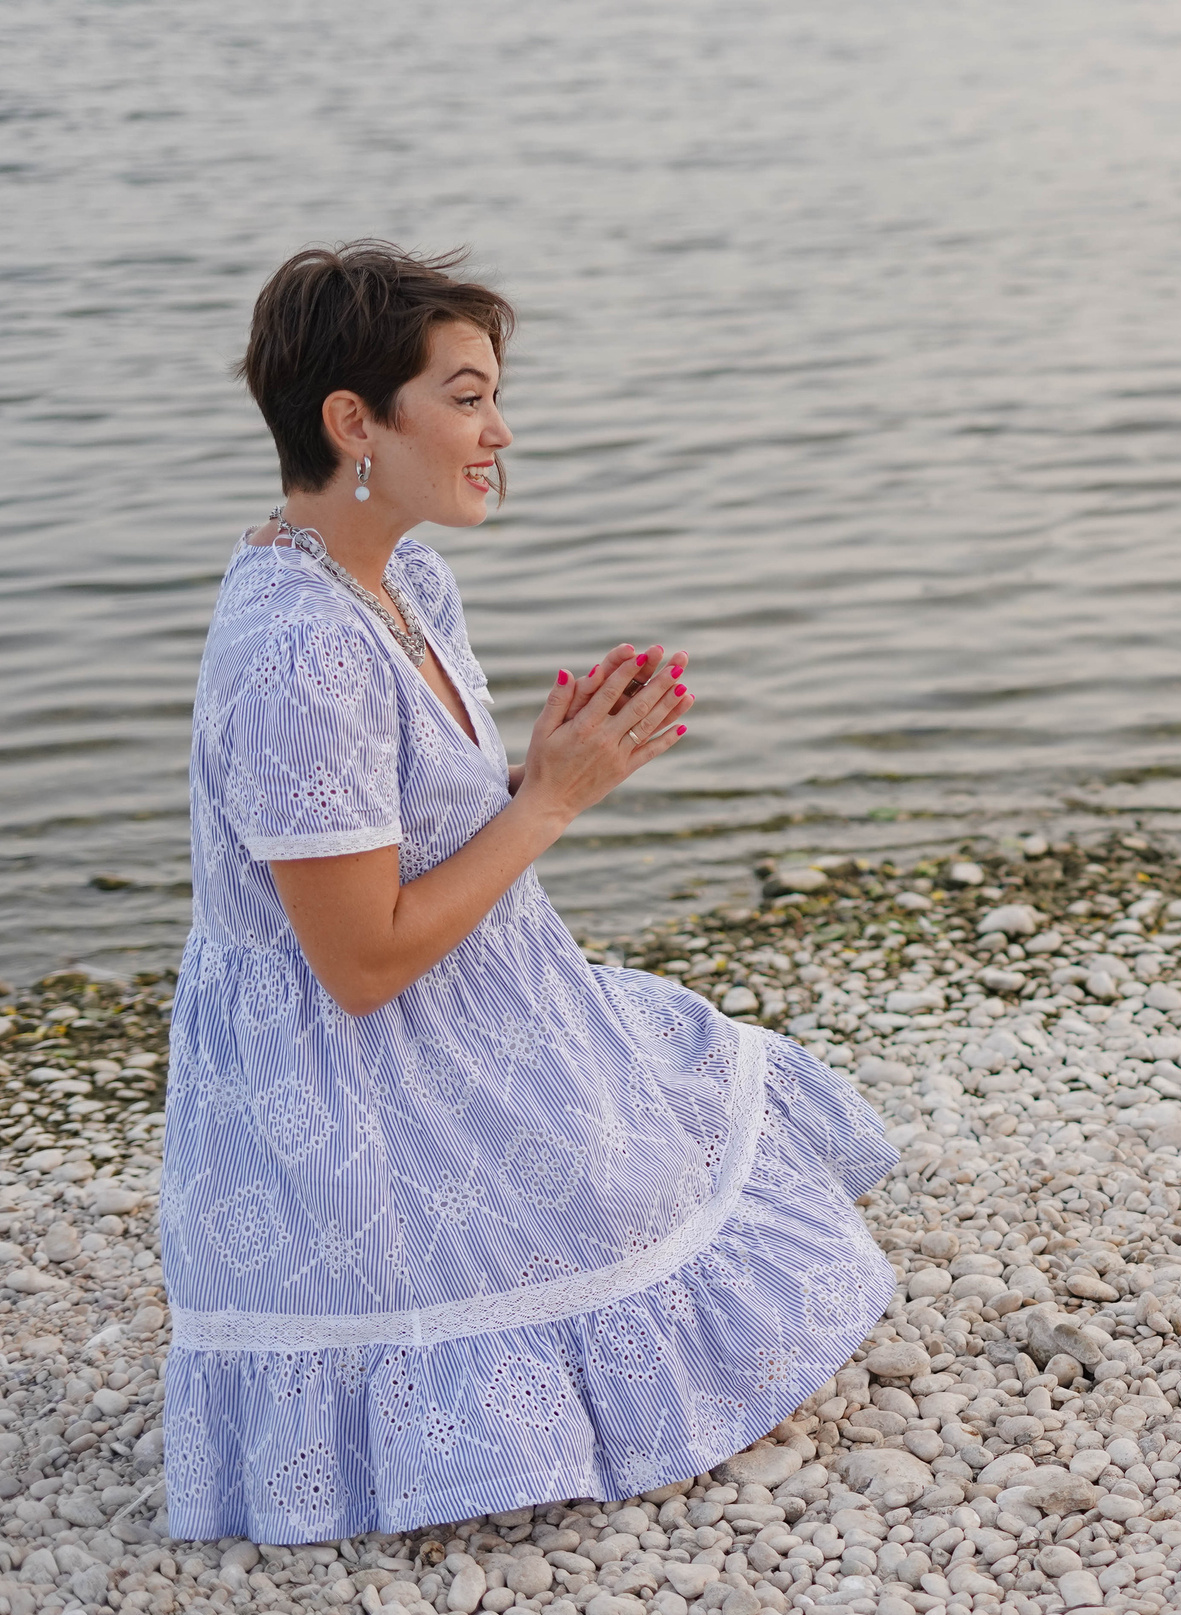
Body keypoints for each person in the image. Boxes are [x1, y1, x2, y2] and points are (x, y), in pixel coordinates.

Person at [162, 241, 899, 1541]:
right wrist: (553, 798)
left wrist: (542, 768)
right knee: (634, 1192)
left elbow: (397, 834)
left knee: (699, 1092)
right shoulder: (300, 649)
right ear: (353, 422)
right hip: (342, 1083)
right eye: (463, 395)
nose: (499, 431)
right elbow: (359, 964)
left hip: (471, 997)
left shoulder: (402, 581)